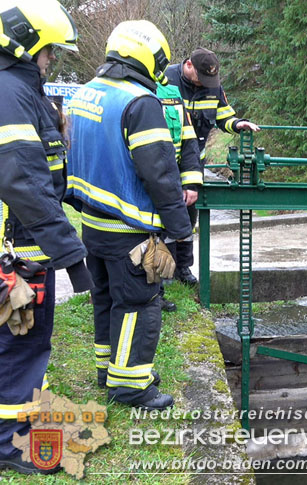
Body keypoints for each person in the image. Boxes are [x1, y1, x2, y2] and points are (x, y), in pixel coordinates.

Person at [65, 20, 192, 410]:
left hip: (93, 226)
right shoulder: (140, 103)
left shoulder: (85, 93)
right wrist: (180, 228)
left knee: (106, 300)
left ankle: (109, 369)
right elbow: (160, 171)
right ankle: (132, 386)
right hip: (129, 227)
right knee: (138, 304)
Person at [0, 0, 93, 474]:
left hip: (24, 247)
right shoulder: (10, 91)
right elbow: (23, 183)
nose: (51, 59)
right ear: (23, 43)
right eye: (48, 51)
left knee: (21, 343)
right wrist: (73, 255)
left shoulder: (19, 88)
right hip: (18, 255)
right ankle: (9, 444)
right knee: (21, 345)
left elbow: (47, 172)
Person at [164, 47, 260, 285]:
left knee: (189, 216)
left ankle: (183, 269)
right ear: (188, 65)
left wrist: (238, 124)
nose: (205, 83)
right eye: (201, 77)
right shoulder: (166, 81)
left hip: (196, 163)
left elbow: (223, 116)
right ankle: (164, 270)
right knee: (164, 215)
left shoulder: (213, 86)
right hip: (166, 162)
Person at [155, 78, 202, 312]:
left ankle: (179, 270)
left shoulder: (172, 93)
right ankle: (160, 283)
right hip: (146, 178)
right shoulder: (127, 90)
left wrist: (191, 182)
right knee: (153, 234)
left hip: (172, 176)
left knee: (183, 225)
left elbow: (188, 141)